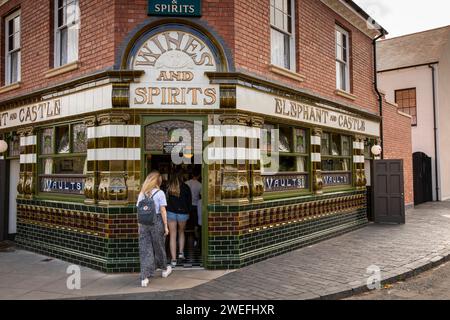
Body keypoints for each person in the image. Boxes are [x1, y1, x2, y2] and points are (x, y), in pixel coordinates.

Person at [136, 171, 172, 287]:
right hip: (156, 221)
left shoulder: (142, 193)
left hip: (144, 223)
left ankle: (144, 277)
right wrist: (166, 226)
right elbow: (163, 211)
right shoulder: (160, 193)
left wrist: (139, 226)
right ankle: (164, 269)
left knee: (145, 249)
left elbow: (139, 212)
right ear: (158, 181)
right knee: (159, 246)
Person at [167, 172, 192, 267]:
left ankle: (173, 260)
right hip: (183, 213)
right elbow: (189, 202)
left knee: (172, 235)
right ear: (182, 177)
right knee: (181, 232)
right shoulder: (186, 187)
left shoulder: (168, 187)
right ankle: (181, 253)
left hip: (171, 212)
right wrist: (188, 212)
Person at [185, 169, 202, 247]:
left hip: (186, 206)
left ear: (192, 175)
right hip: (195, 206)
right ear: (199, 176)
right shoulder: (200, 185)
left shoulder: (186, 183)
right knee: (195, 224)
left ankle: (184, 240)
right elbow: (201, 196)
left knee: (186, 223)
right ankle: (196, 239)